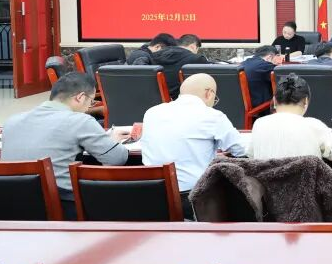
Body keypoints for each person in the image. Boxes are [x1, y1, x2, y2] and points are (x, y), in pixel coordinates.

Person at [0, 73, 130, 220]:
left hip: (10, 207)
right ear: (80, 97)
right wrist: (111, 141)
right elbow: (117, 159)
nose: (89, 107)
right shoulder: (80, 120)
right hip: (62, 206)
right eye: (91, 102)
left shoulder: (12, 121)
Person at [140, 72, 246, 216]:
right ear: (209, 93)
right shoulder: (212, 116)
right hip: (195, 198)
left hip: (153, 195)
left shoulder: (151, 112)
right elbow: (241, 150)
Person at [248, 74, 332, 160]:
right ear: (305, 101)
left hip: (266, 182)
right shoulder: (312, 126)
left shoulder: (259, 124)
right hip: (306, 183)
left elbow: (251, 154)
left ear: (274, 101)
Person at [152, 33, 212, 99]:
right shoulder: (197, 59)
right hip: (183, 100)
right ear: (193, 46)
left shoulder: (154, 55)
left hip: (156, 99)